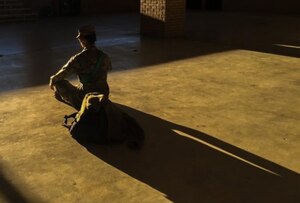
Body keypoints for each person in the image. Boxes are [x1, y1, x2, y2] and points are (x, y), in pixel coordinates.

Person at [49, 25, 112, 110]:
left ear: (83, 40)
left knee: (59, 83)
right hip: (104, 94)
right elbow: (108, 69)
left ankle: (80, 105)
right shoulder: (104, 56)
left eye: (80, 39)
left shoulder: (78, 59)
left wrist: (52, 80)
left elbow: (62, 74)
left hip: (86, 97)